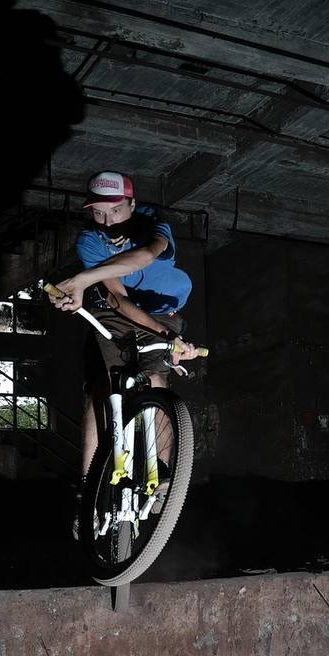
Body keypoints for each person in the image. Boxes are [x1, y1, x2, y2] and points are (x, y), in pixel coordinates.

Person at [48, 170, 200, 535]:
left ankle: (162, 479)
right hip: (116, 314)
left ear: (132, 204)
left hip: (162, 314)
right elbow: (117, 298)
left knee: (156, 380)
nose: (107, 221)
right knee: (103, 390)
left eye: (115, 210)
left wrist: (82, 280)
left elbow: (145, 256)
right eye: (98, 212)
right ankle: (88, 492)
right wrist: (89, 282)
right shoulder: (90, 241)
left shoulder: (154, 225)